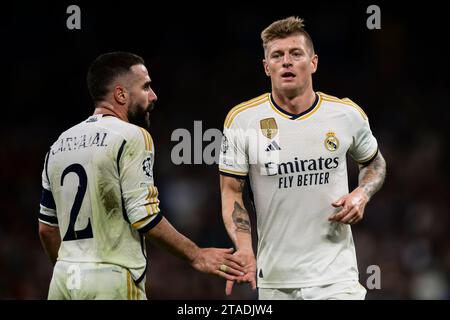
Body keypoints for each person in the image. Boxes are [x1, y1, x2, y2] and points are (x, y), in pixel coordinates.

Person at [38, 51, 246, 300]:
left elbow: (47, 230)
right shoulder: (132, 136)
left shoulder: (58, 145)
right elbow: (143, 215)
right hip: (112, 279)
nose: (153, 95)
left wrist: (73, 274)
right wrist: (196, 255)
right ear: (121, 95)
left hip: (63, 280)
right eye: (146, 87)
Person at [219, 17, 386, 300]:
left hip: (336, 279)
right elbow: (231, 190)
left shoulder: (346, 114)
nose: (286, 62)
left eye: (296, 54)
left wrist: (362, 193)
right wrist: (245, 247)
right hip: (275, 280)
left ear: (313, 63)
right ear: (266, 67)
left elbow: (374, 162)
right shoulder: (242, 120)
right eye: (277, 55)